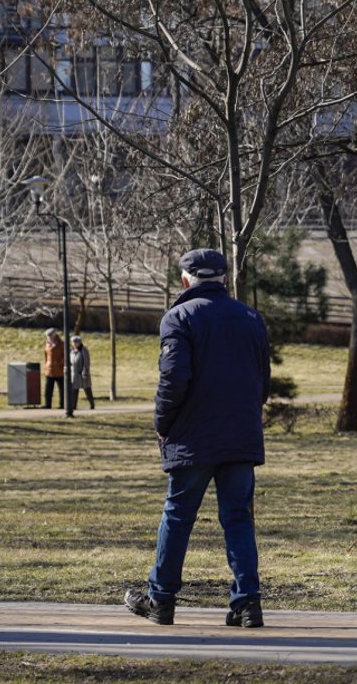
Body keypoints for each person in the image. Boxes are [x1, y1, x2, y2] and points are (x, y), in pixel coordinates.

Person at [125, 248, 272, 629]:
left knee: (178, 516)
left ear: (185, 280)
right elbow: (263, 383)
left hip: (194, 436)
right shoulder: (252, 318)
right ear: (223, 278)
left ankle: (161, 599)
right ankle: (247, 603)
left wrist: (163, 421)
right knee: (238, 518)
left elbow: (173, 379)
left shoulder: (178, 317)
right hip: (240, 436)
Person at [69, 335, 96, 410]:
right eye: (73, 342)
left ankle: (92, 404)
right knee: (74, 390)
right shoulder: (71, 351)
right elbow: (70, 362)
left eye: (76, 342)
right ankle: (73, 406)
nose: (74, 344)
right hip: (74, 374)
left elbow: (86, 362)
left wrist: (85, 372)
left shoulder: (84, 350)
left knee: (87, 389)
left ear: (80, 342)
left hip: (82, 374)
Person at [42, 328, 64, 409]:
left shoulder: (61, 344)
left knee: (62, 388)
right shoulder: (47, 344)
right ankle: (48, 404)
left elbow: (65, 356)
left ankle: (62, 404)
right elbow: (46, 355)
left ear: (54, 335)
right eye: (48, 336)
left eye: (50, 335)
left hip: (59, 370)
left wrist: (59, 363)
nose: (49, 337)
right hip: (49, 369)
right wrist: (46, 364)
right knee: (48, 389)